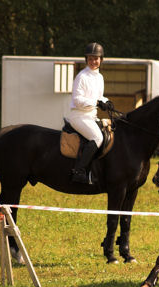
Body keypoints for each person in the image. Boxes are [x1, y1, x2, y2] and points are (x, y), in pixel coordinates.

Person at [65, 42, 114, 184]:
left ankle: (95, 170)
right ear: (86, 60)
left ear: (101, 60)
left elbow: (99, 96)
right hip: (78, 116)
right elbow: (78, 99)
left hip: (91, 116)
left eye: (96, 58)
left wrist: (107, 101)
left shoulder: (99, 77)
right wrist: (97, 103)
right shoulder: (82, 76)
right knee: (97, 138)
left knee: (106, 134)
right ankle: (78, 171)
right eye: (90, 59)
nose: (93, 61)